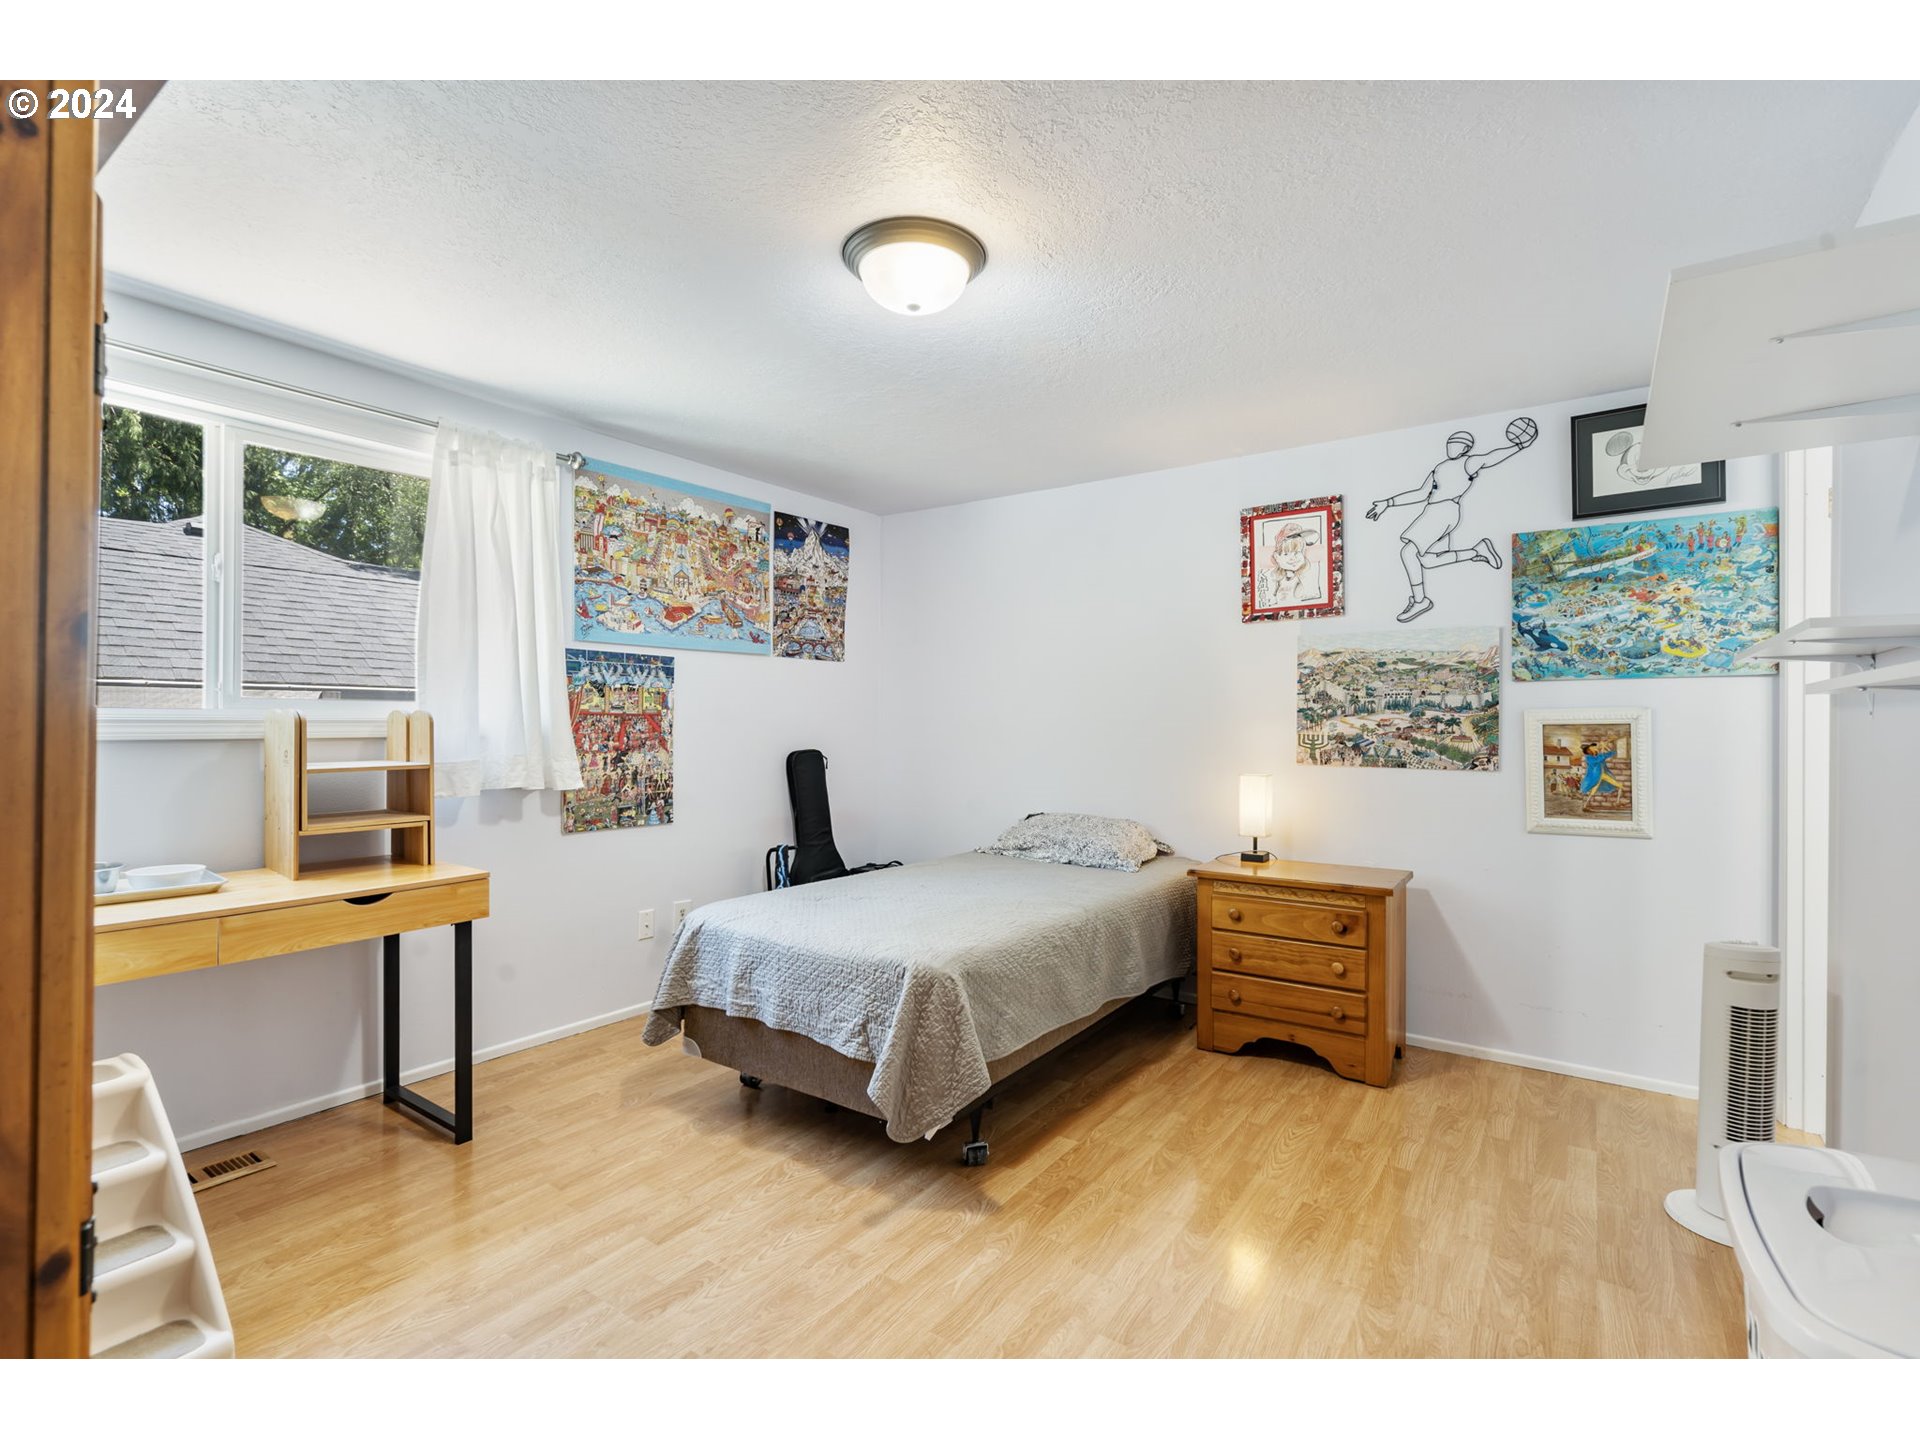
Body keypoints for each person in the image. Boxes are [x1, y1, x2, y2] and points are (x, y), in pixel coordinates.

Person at [1367, 423, 1534, 622]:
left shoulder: (1468, 463)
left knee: (1408, 552)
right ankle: (1477, 551)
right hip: (1436, 510)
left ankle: (1420, 601)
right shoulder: (1439, 468)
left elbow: (1491, 457)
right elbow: (1421, 493)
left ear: (1465, 448)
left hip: (1442, 510)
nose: (1451, 447)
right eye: (1450, 443)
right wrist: (1388, 503)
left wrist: (1519, 446)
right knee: (1428, 560)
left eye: (1456, 444)